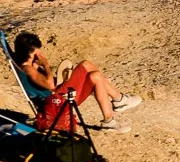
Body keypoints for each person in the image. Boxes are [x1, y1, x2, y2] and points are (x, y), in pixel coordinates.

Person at [10, 31, 139, 128]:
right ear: (30, 54)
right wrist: (45, 65)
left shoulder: (27, 65)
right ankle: (119, 101)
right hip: (58, 100)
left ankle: (111, 116)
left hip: (57, 96)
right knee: (87, 66)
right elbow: (49, 84)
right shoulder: (28, 69)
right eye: (37, 53)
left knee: (95, 76)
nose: (40, 55)